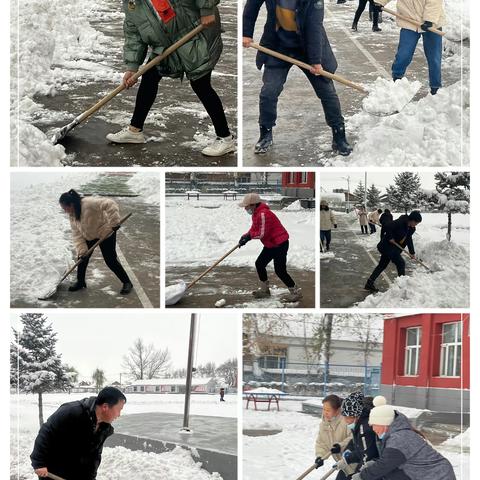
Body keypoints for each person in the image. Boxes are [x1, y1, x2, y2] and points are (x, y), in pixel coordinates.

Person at [105, 0, 235, 157]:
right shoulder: (132, 3)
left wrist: (207, 10)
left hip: (197, 36)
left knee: (200, 84)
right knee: (150, 76)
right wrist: (132, 67)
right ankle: (134, 131)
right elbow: (134, 35)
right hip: (166, 44)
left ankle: (225, 138)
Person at [242, 0, 352, 156]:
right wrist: (246, 33)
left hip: (308, 48)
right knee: (269, 91)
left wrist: (316, 61)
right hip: (277, 46)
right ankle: (265, 134)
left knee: (327, 92)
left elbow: (314, 27)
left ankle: (339, 136)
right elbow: (252, 6)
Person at [350, 396, 456, 480]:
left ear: (383, 424)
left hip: (437, 476)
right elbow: (392, 460)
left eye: (373, 425)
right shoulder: (397, 434)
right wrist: (374, 463)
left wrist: (362, 476)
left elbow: (385, 466)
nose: (372, 429)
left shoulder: (399, 439)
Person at [31, 387, 126, 479]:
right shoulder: (72, 411)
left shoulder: (104, 428)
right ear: (105, 407)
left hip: (75, 473)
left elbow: (94, 456)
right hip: (53, 470)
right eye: (119, 410)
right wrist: (39, 463)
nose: (119, 414)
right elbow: (47, 432)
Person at [59, 189, 133, 295]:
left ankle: (127, 282)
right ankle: (80, 282)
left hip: (105, 233)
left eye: (65, 208)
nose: (65, 211)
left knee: (110, 260)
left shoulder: (88, 203)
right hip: (89, 236)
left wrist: (114, 222)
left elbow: (110, 204)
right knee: (82, 259)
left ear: (71, 204)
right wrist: (82, 250)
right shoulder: (72, 215)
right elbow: (77, 235)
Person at [238, 192, 302, 302]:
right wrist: (245, 236)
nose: (245, 209)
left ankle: (296, 292)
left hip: (279, 244)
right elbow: (254, 229)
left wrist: (249, 237)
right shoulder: (256, 214)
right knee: (260, 264)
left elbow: (262, 234)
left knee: (280, 270)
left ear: (253, 204)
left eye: (246, 206)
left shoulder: (264, 214)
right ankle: (265, 291)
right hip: (271, 244)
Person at [374, 0, 445, 95]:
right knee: (404, 54)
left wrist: (429, 20)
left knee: (434, 57)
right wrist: (379, 2)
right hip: (409, 21)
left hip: (432, 24)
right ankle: (397, 79)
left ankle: (435, 87)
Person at [365, 211, 422, 292]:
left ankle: (369, 283)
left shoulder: (412, 228)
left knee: (382, 265)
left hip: (394, 248)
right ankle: (402, 286)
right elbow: (387, 226)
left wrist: (412, 252)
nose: (416, 224)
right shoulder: (400, 222)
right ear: (412, 219)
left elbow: (408, 239)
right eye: (416, 222)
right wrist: (390, 237)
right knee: (401, 263)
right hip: (387, 246)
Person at [334, 392, 380, 476]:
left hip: (375, 467)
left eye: (347, 417)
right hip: (371, 464)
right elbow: (360, 447)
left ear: (356, 415)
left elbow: (368, 456)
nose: (345, 420)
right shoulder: (359, 424)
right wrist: (347, 459)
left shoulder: (365, 428)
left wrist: (360, 475)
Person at [314, 395, 357, 480]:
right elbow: (321, 442)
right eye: (324, 409)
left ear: (337, 410)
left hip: (356, 464)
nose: (325, 412)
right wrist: (320, 456)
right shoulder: (324, 424)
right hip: (344, 465)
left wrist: (340, 446)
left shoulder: (346, 420)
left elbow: (353, 438)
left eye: (328, 410)